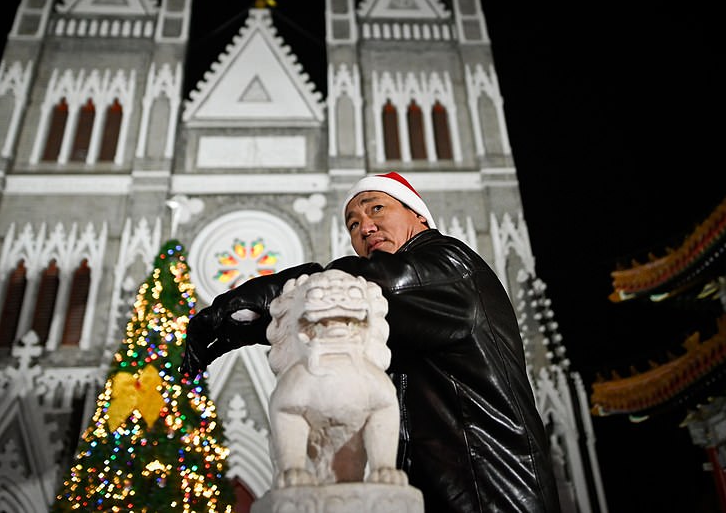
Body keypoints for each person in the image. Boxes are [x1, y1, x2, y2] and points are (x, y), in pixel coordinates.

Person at [180, 172, 561, 513]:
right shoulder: (404, 299)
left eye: (377, 208)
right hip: (432, 490)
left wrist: (235, 309)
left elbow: (358, 288)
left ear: (419, 215)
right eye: (353, 222)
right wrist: (236, 326)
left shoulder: (449, 265)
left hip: (489, 490)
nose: (365, 226)